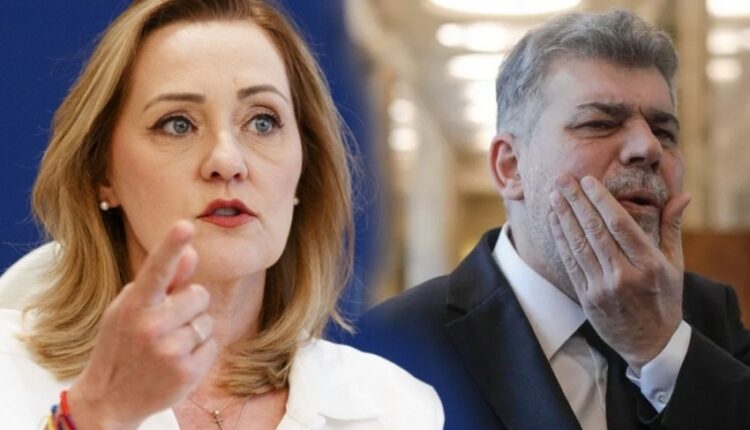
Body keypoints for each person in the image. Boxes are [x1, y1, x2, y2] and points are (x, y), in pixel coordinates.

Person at [0, 0, 443, 428]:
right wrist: (95, 416)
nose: (227, 161)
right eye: (177, 124)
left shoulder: (398, 409)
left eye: (263, 122)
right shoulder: (10, 375)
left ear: (304, 171)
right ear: (103, 173)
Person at [347, 8, 750, 430]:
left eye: (664, 132)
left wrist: (660, 349)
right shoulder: (392, 343)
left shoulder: (707, 315)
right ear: (511, 167)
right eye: (599, 123)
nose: (648, 148)